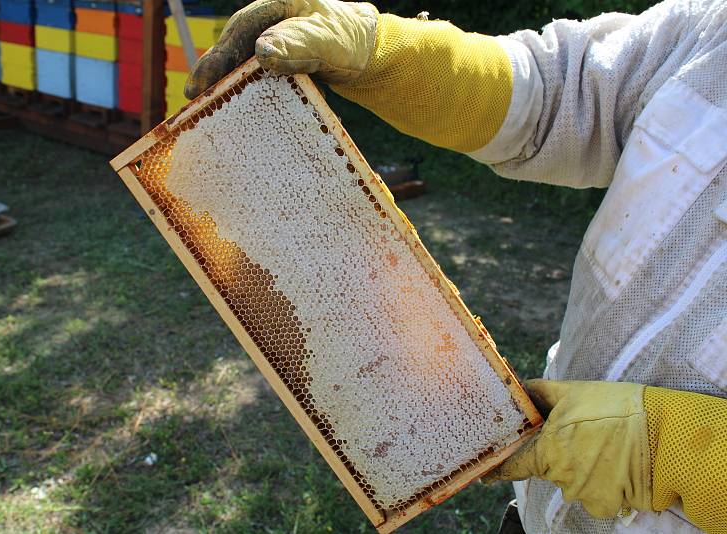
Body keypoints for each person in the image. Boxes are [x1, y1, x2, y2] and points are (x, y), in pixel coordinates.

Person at [183, 1, 727, 532]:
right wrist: (382, 51)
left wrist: (678, 450)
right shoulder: (710, 34)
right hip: (544, 512)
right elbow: (560, 90)